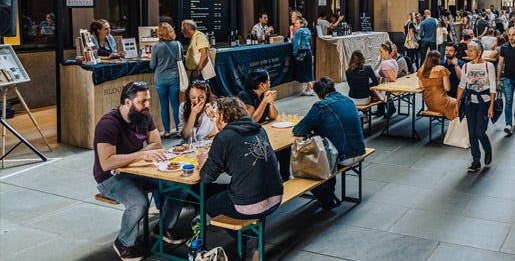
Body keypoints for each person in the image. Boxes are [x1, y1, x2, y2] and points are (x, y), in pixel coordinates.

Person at [93, 81, 187, 261]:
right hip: (110, 177)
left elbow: (157, 144)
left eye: (148, 101)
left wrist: (141, 156)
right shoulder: (108, 123)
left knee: (179, 184)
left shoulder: (144, 115)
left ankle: (163, 228)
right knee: (139, 202)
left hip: (137, 170)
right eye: (142, 102)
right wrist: (143, 155)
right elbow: (106, 163)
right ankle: (123, 243)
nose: (147, 106)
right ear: (127, 103)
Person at [198, 97, 283, 259]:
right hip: (276, 196)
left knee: (207, 201)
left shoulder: (223, 138)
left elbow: (206, 177)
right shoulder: (258, 129)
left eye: (216, 115)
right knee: (248, 187)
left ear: (222, 117)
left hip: (251, 204)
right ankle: (254, 243)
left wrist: (202, 162)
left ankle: (249, 238)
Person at [293, 77, 366, 209]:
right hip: (359, 149)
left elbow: (299, 130)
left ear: (319, 94)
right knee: (325, 152)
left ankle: (327, 199)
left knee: (308, 166)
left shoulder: (321, 106)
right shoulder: (348, 100)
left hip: (343, 156)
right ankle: (330, 195)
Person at [455, 40, 496, 173]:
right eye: (468, 49)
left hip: (484, 103)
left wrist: (491, 106)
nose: (468, 52)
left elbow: (493, 88)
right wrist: (457, 103)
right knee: (472, 133)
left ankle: (487, 148)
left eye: (471, 50)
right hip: (470, 103)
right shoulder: (466, 66)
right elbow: (462, 86)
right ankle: (476, 161)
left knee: (480, 132)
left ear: (479, 52)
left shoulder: (488, 66)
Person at [149, 22, 182, 138]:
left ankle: (167, 131)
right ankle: (179, 129)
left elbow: (152, 66)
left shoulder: (156, 47)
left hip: (160, 79)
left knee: (164, 105)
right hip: (174, 78)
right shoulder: (178, 44)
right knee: (175, 105)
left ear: (159, 33)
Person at [417, 50, 457, 120]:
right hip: (441, 102)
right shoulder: (442, 69)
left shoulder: (421, 71)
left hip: (429, 103)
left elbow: (421, 86)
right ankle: (456, 127)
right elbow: (447, 88)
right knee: (459, 103)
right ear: (438, 59)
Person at [292, 16, 314, 95]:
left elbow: (296, 42)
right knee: (308, 70)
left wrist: (294, 53)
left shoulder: (299, 31)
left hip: (302, 52)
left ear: (302, 24)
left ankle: (310, 86)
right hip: (308, 52)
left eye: (297, 23)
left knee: (303, 70)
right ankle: (308, 89)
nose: (295, 25)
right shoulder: (307, 30)